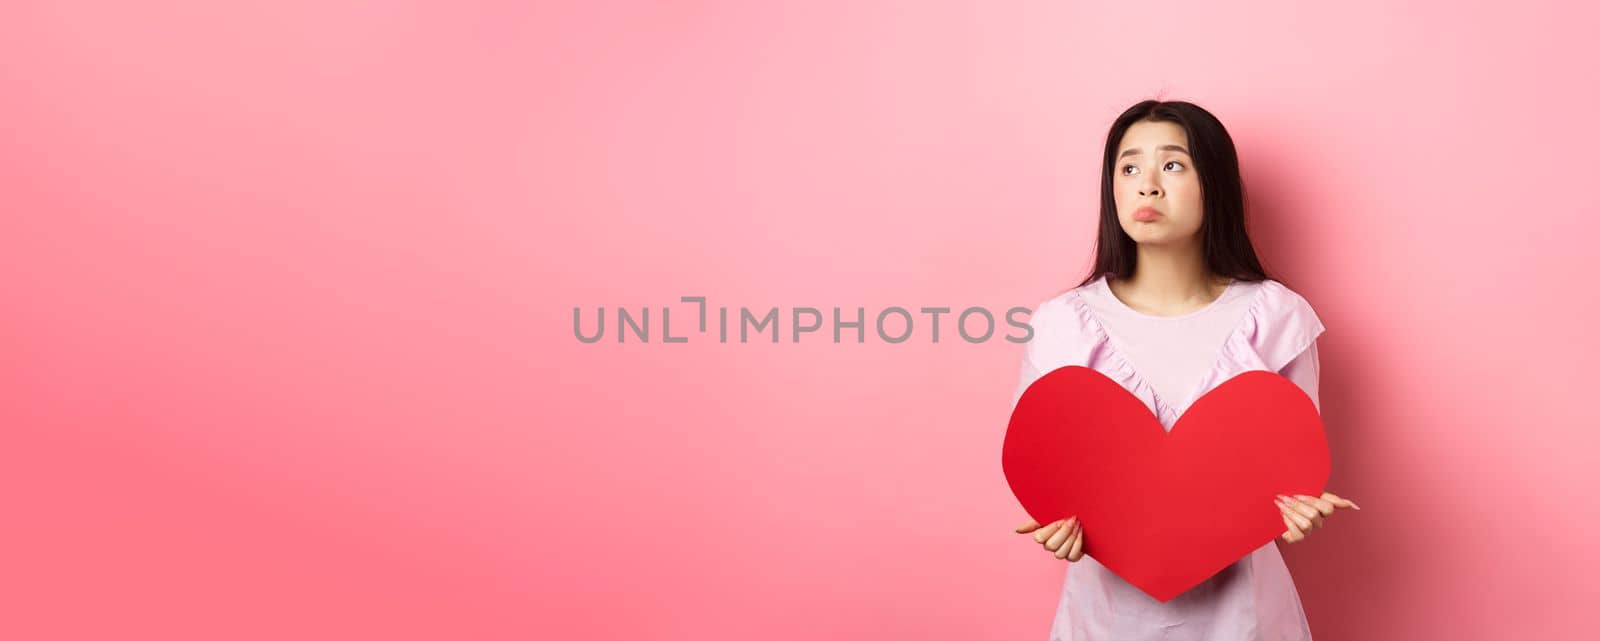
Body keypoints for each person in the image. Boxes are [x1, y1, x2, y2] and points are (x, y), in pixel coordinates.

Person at [1010, 100, 1360, 641]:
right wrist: (1059, 525)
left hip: (1246, 623)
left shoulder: (1275, 318)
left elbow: (1292, 469)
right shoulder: (1062, 325)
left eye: (1172, 165)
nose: (1147, 185)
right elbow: (1043, 470)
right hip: (1103, 623)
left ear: (1213, 183)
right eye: (1129, 168)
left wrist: (1298, 509)